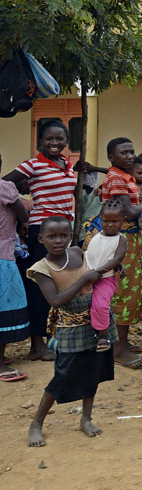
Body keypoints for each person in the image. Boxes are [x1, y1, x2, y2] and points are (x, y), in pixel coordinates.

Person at [27, 216, 115, 447]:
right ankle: (36, 423)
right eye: (52, 236)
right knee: (62, 375)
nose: (58, 241)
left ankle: (86, 418)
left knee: (94, 371)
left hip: (96, 321)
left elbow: (99, 271)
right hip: (70, 326)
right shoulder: (41, 269)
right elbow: (55, 300)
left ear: (70, 236)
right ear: (40, 239)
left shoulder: (78, 252)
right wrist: (84, 279)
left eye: (63, 235)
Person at [5, 119, 79, 362]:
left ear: (67, 141)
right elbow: (6, 183)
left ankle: (51, 338)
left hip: (62, 231)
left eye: (60, 139)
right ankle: (36, 345)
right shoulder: (33, 164)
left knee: (58, 284)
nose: (55, 143)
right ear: (41, 142)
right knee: (40, 286)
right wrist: (21, 206)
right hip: (42, 231)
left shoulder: (67, 164)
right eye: (50, 139)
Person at [89, 137, 142, 370]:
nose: (130, 156)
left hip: (129, 238)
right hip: (123, 240)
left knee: (128, 289)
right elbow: (129, 213)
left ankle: (122, 342)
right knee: (123, 290)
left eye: (132, 152)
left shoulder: (122, 177)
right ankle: (118, 350)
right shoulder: (117, 179)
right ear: (111, 157)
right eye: (124, 153)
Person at [83, 199, 128, 352]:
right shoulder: (96, 236)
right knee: (85, 306)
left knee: (101, 305)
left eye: (115, 221)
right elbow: (91, 255)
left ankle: (103, 335)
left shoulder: (121, 239)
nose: (110, 224)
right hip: (88, 277)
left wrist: (99, 272)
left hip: (105, 278)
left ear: (123, 221)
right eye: (106, 221)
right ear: (100, 219)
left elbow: (116, 258)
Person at [0, 153, 30, 382]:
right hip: (3, 256)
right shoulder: (4, 188)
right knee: (6, 307)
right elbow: (23, 213)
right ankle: (0, 362)